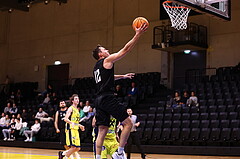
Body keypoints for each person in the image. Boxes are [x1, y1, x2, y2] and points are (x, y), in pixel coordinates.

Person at [92, 22, 148, 159]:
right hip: (107, 98)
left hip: (98, 100)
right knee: (128, 123)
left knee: (102, 130)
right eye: (105, 49)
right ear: (100, 54)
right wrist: (137, 34)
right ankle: (119, 152)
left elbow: (108, 78)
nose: (107, 50)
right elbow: (125, 50)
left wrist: (122, 76)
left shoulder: (96, 67)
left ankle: (98, 157)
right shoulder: (107, 60)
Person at [58, 94, 85, 159]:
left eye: (78, 99)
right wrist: (71, 123)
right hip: (70, 129)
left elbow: (76, 121)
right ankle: (65, 157)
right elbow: (65, 119)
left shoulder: (77, 109)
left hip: (76, 129)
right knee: (74, 147)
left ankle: (63, 153)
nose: (77, 100)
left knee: (78, 148)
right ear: (72, 101)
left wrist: (80, 125)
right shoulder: (70, 108)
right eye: (76, 99)